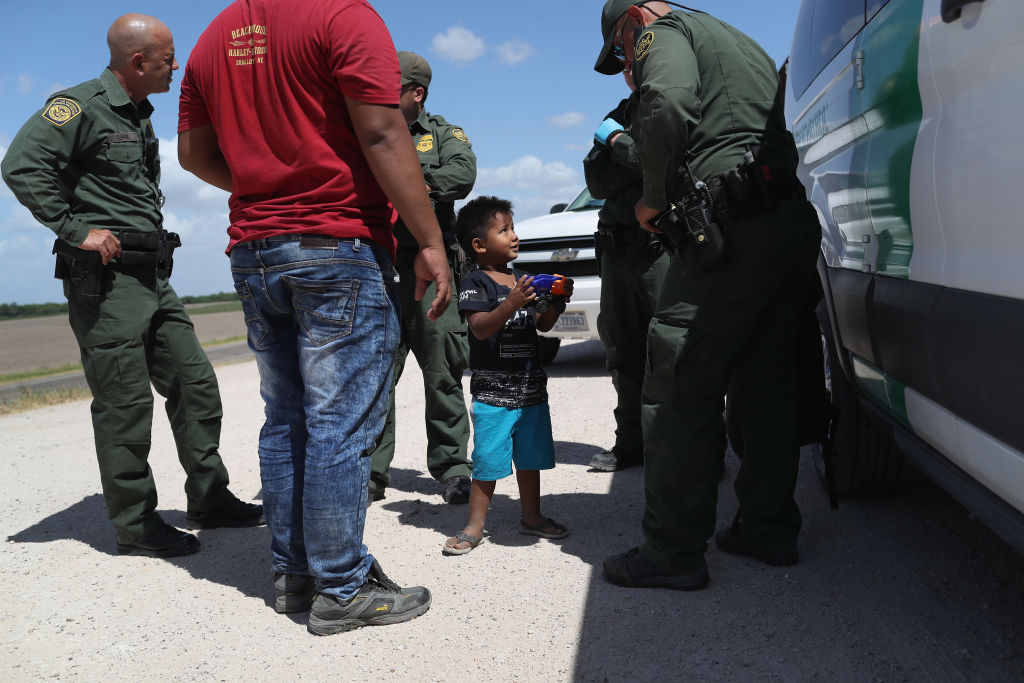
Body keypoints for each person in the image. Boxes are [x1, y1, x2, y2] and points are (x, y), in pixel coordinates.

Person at [177, 0, 450, 634]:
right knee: (340, 424)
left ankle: (295, 573)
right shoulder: (343, 17)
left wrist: (264, 187)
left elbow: (193, 155)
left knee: (287, 418)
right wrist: (430, 241)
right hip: (336, 243)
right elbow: (383, 132)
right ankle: (343, 585)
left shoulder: (211, 39)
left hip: (255, 251)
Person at [1, 14, 263, 559]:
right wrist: (76, 230)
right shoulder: (77, 106)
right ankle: (136, 524)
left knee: (194, 384)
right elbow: (21, 165)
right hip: (108, 284)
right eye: (168, 57)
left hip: (151, 276)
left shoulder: (139, 115)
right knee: (124, 405)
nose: (176, 65)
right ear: (138, 61)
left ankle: (209, 498)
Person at [593, 1, 821, 589]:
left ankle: (670, 552)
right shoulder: (740, 41)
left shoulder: (662, 31)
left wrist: (651, 193)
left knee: (674, 383)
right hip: (786, 219)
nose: (626, 66)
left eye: (621, 51)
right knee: (766, 379)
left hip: (731, 227)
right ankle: (768, 529)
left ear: (633, 20)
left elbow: (667, 104)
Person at [367, 51, 475, 506]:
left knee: (442, 370)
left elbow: (462, 173)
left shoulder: (442, 134)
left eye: (389, 91)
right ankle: (369, 473)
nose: (379, 99)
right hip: (379, 265)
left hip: (431, 268)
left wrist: (407, 177)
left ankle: (452, 469)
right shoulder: (365, 129)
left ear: (417, 93)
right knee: (374, 374)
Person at [442, 197, 574, 555]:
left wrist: (556, 302)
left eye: (513, 228)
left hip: (531, 388)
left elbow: (542, 325)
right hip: (493, 393)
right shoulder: (475, 282)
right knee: (487, 461)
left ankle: (531, 517)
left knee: (530, 459)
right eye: (504, 230)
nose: (514, 236)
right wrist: (511, 303)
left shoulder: (521, 279)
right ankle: (473, 527)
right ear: (479, 245)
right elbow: (481, 329)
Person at [582, 62, 670, 472]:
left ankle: (696, 444)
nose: (632, 72)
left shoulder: (667, 107)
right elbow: (596, 181)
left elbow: (661, 164)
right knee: (623, 352)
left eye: (639, 64)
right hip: (617, 252)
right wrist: (632, 156)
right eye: (628, 67)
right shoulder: (615, 116)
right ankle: (630, 443)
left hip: (661, 250)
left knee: (675, 350)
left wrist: (620, 147)